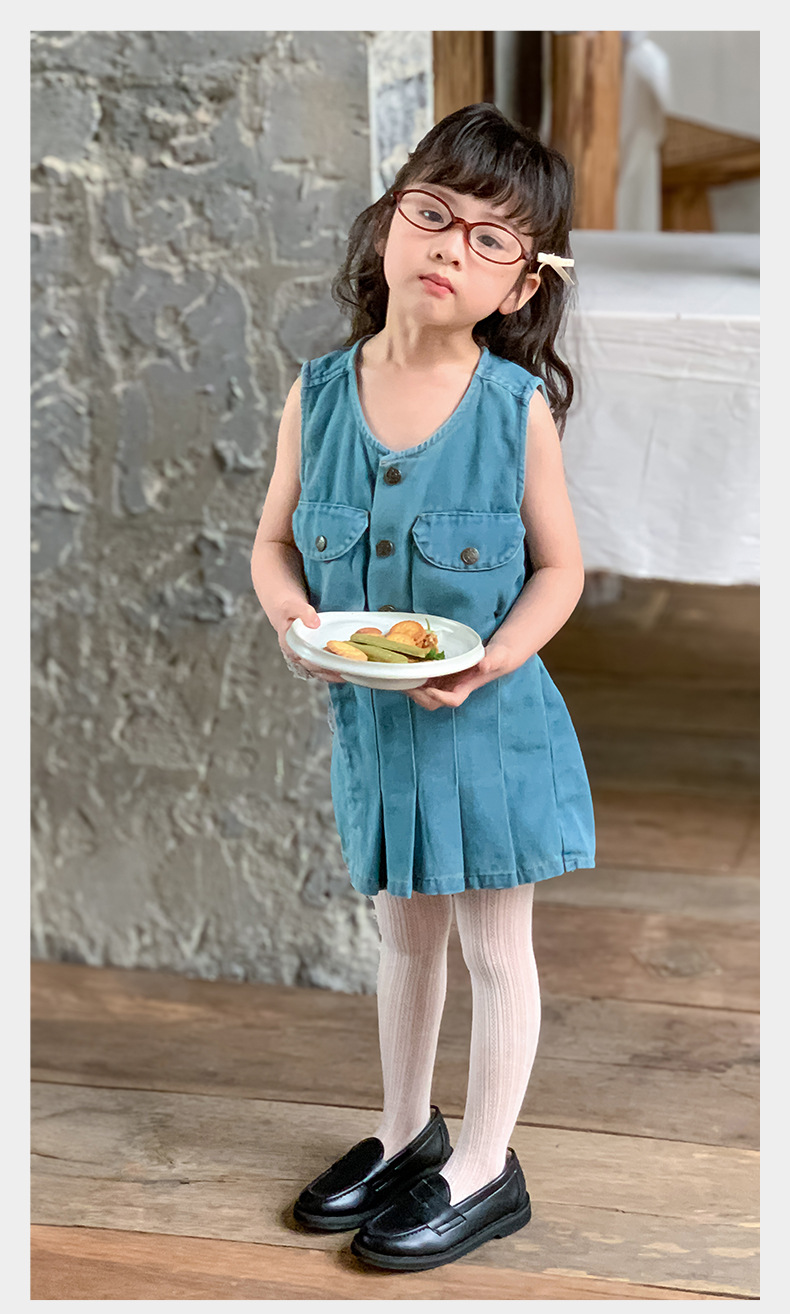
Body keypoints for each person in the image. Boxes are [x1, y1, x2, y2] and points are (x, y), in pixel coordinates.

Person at [250, 102, 596, 1273]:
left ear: (520, 285)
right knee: (404, 944)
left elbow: (560, 570)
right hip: (378, 734)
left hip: (492, 733)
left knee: (496, 949)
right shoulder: (317, 394)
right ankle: (407, 1135)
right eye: (434, 214)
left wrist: (493, 657)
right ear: (388, 223)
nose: (451, 246)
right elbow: (274, 544)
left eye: (490, 238)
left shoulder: (512, 408)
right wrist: (293, 620)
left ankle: (484, 1167)